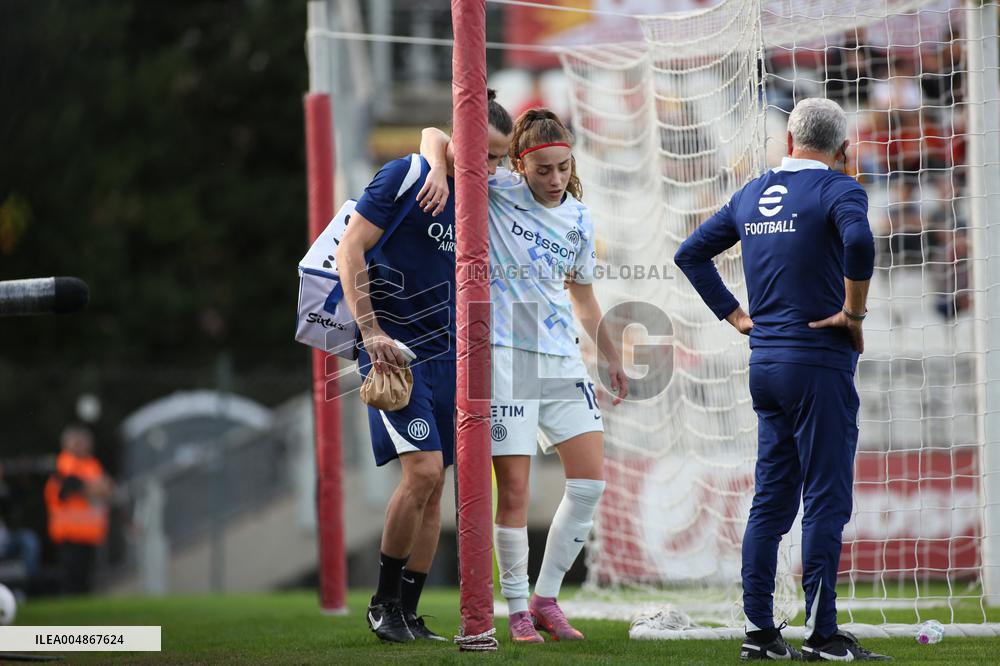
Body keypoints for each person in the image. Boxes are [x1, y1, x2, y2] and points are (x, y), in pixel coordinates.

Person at [674, 98, 890, 662]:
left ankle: (761, 634)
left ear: (789, 142)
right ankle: (822, 636)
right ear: (843, 150)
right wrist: (854, 313)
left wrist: (736, 315)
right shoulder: (840, 188)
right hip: (817, 361)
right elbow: (861, 243)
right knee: (825, 500)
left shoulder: (751, 193)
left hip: (765, 365)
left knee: (770, 503)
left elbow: (690, 253)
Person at [421, 108, 628, 643]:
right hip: (506, 356)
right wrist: (433, 171)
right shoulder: (495, 189)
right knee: (513, 491)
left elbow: (582, 294)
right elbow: (438, 136)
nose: (554, 179)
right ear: (520, 165)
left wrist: (608, 354)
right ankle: (513, 609)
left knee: (588, 485)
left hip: (561, 358)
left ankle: (545, 599)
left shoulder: (580, 217)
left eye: (563, 168)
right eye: (543, 171)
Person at [335, 90, 513, 643]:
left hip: (452, 356)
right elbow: (350, 250)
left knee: (439, 491)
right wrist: (370, 332)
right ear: (461, 135)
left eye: (500, 158)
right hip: (396, 350)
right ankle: (382, 603)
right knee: (424, 475)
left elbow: (448, 141)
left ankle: (408, 612)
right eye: (484, 152)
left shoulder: (481, 198)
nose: (491, 167)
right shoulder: (406, 176)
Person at [43, 425, 113, 595]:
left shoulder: (92, 464)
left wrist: (98, 488)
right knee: (72, 579)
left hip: (90, 533)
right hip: (70, 532)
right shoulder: (64, 463)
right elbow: (78, 485)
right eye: (78, 441)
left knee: (85, 580)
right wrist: (96, 487)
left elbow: (107, 488)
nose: (82, 445)